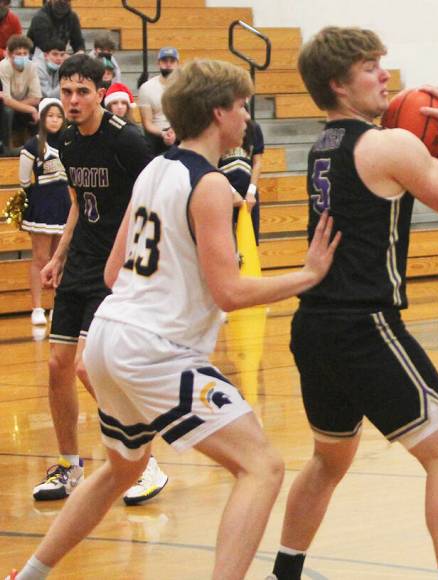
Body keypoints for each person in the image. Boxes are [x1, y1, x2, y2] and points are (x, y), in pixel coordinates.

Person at [5, 58, 342, 580]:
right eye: (241, 107)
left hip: (109, 335)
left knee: (122, 467)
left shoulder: (153, 170)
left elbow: (116, 270)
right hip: (154, 349)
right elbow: (228, 293)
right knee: (263, 466)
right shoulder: (206, 185)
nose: (247, 118)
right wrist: (308, 274)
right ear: (217, 113)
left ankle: (28, 575)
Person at [269, 26, 438, 580]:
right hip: (365, 324)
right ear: (338, 83)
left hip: (312, 327)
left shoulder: (326, 144)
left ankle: (285, 572)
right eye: (369, 67)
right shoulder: (389, 144)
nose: (385, 75)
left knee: (329, 458)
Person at [32, 54, 167, 507]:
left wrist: (143, 265)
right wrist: (60, 256)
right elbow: (77, 203)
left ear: (100, 93)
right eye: (66, 92)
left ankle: (144, 462)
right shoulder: (68, 141)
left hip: (117, 268)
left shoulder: (126, 142)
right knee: (57, 367)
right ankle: (69, 467)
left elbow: (154, 201)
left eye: (81, 92)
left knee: (90, 367)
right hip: (81, 265)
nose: (72, 100)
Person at [20, 97, 69, 326]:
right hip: (42, 207)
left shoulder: (70, 143)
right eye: (50, 115)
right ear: (42, 118)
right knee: (40, 258)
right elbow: (23, 180)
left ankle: (58, 306)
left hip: (65, 207)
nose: (55, 120)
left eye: (59, 116)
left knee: (61, 259)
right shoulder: (33, 145)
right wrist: (36, 200)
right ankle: (37, 307)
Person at [218, 119, 264, 241]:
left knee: (249, 242)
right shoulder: (216, 127)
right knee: (226, 241)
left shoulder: (254, 128)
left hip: (249, 194)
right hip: (223, 191)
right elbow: (211, 165)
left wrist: (251, 191)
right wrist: (232, 192)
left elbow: (257, 162)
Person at [0, 34, 42, 151]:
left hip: (23, 101)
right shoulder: (3, 67)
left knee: (42, 107)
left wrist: (19, 105)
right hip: (6, 105)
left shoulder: (32, 66)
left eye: (25, 53)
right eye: (18, 54)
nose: (22, 56)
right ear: (9, 55)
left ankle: (37, 147)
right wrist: (30, 109)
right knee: (7, 111)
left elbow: (36, 97)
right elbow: (7, 101)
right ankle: (7, 148)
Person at [136, 46, 178, 154]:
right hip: (157, 133)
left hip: (180, 131)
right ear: (158, 63)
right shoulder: (146, 88)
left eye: (172, 61)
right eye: (164, 61)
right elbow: (147, 123)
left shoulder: (186, 87)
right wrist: (163, 134)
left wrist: (175, 132)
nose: (168, 64)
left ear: (177, 64)